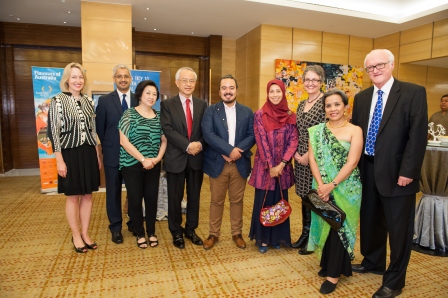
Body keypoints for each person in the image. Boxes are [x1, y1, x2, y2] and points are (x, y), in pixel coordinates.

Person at [351, 49, 428, 298]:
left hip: (398, 174)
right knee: (371, 220)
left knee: (398, 229)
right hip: (368, 169)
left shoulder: (413, 93)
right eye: (370, 67)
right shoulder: (361, 98)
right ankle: (373, 262)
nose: (375, 70)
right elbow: (358, 137)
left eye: (380, 65)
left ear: (392, 64)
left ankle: (394, 281)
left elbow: (417, 137)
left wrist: (409, 171)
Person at [307, 89, 363, 294]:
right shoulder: (316, 130)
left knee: (342, 226)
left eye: (337, 104)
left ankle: (333, 275)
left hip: (347, 188)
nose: (333, 109)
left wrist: (333, 185)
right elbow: (312, 159)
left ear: (346, 106)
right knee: (326, 223)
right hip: (322, 187)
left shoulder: (355, 130)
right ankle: (329, 264)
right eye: (328, 105)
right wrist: (322, 185)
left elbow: (353, 161)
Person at [47, 62, 101, 253]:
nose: (78, 81)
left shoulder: (88, 101)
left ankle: (85, 233)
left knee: (87, 195)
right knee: (73, 196)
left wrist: (97, 154)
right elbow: (53, 132)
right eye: (74, 77)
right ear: (67, 80)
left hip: (88, 152)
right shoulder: (57, 101)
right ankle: (76, 235)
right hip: (69, 154)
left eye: (80, 77)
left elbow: (92, 130)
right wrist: (59, 160)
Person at [201, 74, 255, 250]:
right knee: (216, 200)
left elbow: (252, 135)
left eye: (231, 88)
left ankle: (236, 233)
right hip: (218, 163)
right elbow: (208, 135)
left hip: (239, 163)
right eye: (224, 88)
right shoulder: (210, 111)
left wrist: (236, 152)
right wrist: (228, 150)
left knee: (237, 200)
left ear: (236, 90)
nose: (228, 91)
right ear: (219, 91)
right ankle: (213, 234)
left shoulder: (247, 112)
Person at [248, 79, 298, 253]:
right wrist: (271, 166)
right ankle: (262, 240)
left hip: (282, 169)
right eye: (272, 92)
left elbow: (294, 140)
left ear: (283, 93)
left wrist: (282, 164)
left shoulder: (290, 115)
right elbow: (261, 141)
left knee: (280, 202)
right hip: (265, 169)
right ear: (267, 94)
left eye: (278, 91)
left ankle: (277, 238)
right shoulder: (260, 114)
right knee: (264, 202)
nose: (275, 95)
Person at [160, 67, 207, 249]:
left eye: (191, 81)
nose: (188, 84)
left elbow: (206, 130)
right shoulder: (167, 104)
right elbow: (168, 130)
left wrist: (199, 144)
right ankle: (176, 231)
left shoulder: (202, 104)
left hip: (197, 159)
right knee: (175, 197)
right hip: (176, 158)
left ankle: (191, 229)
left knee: (194, 197)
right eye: (184, 80)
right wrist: (188, 145)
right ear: (177, 83)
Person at [118, 80, 167, 249]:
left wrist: (158, 158)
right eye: (148, 93)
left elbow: (164, 140)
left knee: (152, 199)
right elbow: (123, 141)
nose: (151, 97)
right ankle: (140, 233)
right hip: (132, 165)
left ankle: (151, 232)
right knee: (135, 200)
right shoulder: (129, 114)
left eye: (154, 94)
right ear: (139, 95)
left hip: (153, 165)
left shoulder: (159, 116)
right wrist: (143, 159)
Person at [95, 64, 137, 244]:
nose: (123, 79)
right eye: (119, 76)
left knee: (135, 191)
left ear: (130, 78)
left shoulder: (139, 99)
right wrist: (109, 147)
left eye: (126, 76)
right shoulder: (104, 101)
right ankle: (116, 227)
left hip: (135, 155)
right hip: (112, 154)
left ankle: (134, 223)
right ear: (114, 79)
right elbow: (100, 129)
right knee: (113, 192)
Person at [291, 65, 326, 255]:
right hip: (300, 156)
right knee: (304, 196)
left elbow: (323, 133)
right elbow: (297, 131)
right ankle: (305, 234)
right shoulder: (301, 104)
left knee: (316, 196)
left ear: (321, 82)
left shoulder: (324, 103)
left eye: (315, 80)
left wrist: (308, 156)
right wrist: (296, 152)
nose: (310, 83)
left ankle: (315, 238)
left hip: (316, 157)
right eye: (307, 80)